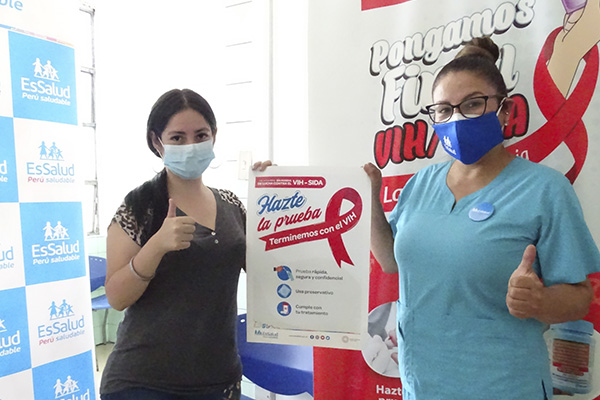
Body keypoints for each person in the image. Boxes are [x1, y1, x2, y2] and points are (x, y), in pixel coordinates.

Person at [364, 37, 600, 400]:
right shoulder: (420, 184)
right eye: (444, 110)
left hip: (504, 386)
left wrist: (539, 302)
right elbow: (390, 261)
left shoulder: (545, 190)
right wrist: (369, 199)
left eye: (473, 104)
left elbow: (580, 299)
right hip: (422, 386)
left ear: (505, 110)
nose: (457, 119)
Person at [99, 88, 271, 400]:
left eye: (200, 135)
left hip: (219, 380)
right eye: (177, 138)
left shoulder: (232, 205)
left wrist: (274, 197)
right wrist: (156, 246)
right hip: (144, 384)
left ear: (214, 136)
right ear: (157, 142)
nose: (191, 146)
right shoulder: (139, 206)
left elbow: (271, 273)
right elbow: (116, 297)